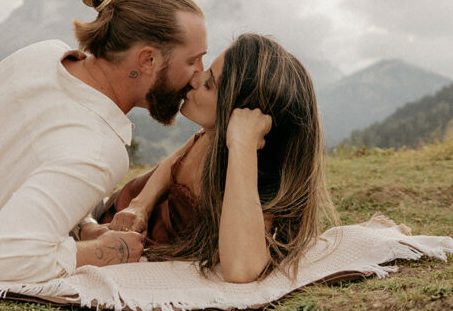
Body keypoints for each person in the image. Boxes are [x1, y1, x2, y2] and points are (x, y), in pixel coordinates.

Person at [0, 0, 207, 282]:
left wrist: (82, 225)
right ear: (148, 59)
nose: (199, 76)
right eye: (193, 61)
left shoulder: (46, 51)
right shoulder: (101, 150)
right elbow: (1, 259)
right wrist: (104, 251)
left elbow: (47, 158)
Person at [91, 34, 333, 283]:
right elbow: (173, 162)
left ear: (237, 111)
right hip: (112, 214)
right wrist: (140, 205)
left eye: (209, 84)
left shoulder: (256, 173)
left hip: (118, 238)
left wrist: (242, 143)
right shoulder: (210, 135)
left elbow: (241, 269)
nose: (194, 79)